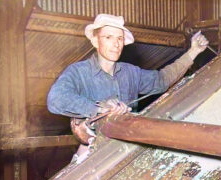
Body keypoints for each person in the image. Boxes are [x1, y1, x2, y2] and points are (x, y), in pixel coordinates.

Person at [47, 14, 208, 158]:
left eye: (119, 38)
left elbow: (162, 80)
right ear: (96, 41)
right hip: (92, 154)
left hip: (126, 151)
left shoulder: (131, 73)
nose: (116, 44)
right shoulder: (78, 72)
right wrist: (99, 108)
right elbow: (56, 99)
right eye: (108, 37)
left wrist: (193, 52)